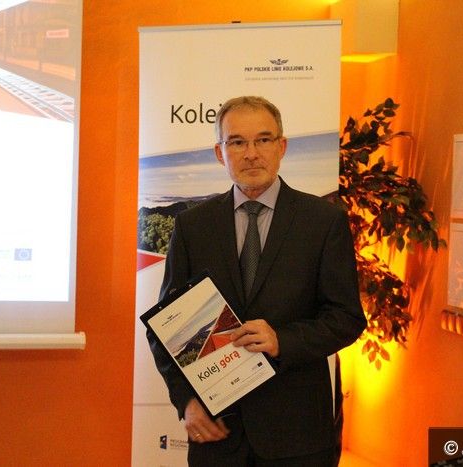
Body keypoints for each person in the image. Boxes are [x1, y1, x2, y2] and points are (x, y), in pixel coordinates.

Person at [147, 96, 366, 466]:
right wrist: (186, 401)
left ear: (282, 147)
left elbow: (346, 318)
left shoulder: (323, 222)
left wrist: (283, 340)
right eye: (237, 142)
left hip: (297, 435)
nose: (251, 154)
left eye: (263, 139)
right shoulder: (192, 226)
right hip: (218, 434)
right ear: (220, 153)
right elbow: (166, 327)